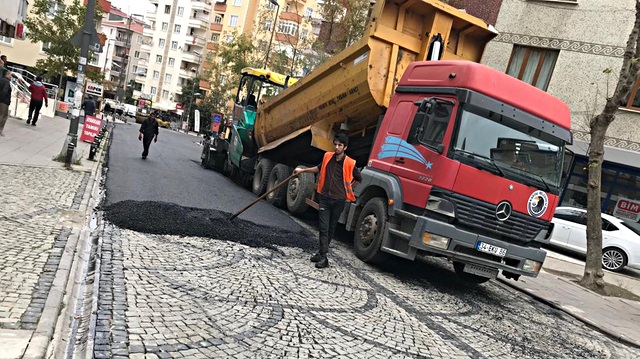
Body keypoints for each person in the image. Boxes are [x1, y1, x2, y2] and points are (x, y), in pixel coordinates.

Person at [293, 133, 362, 269]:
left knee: (331, 229)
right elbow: (318, 169)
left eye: (340, 145)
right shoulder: (327, 157)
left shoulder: (350, 163)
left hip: (339, 200)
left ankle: (320, 253)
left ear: (345, 147)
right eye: (335, 144)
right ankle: (324, 257)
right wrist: (302, 171)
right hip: (324, 198)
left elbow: (359, 179)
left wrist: (347, 189)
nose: (336, 147)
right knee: (323, 228)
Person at [0, 71, 11, 136]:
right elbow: (5, 91)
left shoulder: (0, 79)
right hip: (4, 101)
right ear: (7, 75)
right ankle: (0, 130)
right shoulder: (7, 82)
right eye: (10, 75)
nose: (11, 77)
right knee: (3, 116)